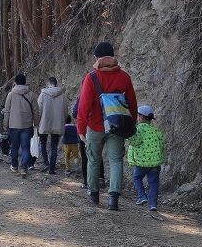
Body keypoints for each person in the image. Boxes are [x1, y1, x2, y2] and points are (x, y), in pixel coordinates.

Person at [76, 42, 138, 210]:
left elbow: (84, 105)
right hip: (117, 126)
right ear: (113, 57)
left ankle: (94, 194)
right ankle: (113, 199)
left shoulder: (92, 77)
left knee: (93, 160)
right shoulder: (124, 76)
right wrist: (131, 123)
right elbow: (132, 103)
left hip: (95, 126)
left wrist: (81, 128)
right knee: (116, 160)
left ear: (96, 58)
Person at [128, 105, 165, 211]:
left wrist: (129, 136)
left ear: (141, 117)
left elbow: (135, 142)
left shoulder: (138, 129)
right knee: (154, 183)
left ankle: (142, 196)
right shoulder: (156, 130)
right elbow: (162, 143)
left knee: (136, 178)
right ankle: (153, 204)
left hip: (141, 162)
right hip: (155, 163)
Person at [2, 73, 39, 176]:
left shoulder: (10, 94)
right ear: (25, 82)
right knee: (26, 147)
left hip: (13, 126)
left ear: (15, 82)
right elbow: (36, 111)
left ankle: (14, 166)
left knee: (14, 146)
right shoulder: (31, 94)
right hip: (27, 126)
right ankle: (23, 168)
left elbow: (7, 111)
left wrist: (5, 124)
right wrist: (36, 123)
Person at [37, 76, 68, 175]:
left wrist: (37, 123)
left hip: (44, 122)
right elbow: (65, 111)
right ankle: (52, 168)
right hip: (58, 123)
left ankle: (46, 162)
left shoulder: (43, 94)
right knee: (54, 145)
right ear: (56, 84)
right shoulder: (63, 96)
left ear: (48, 84)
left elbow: (39, 110)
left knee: (42, 143)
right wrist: (63, 121)